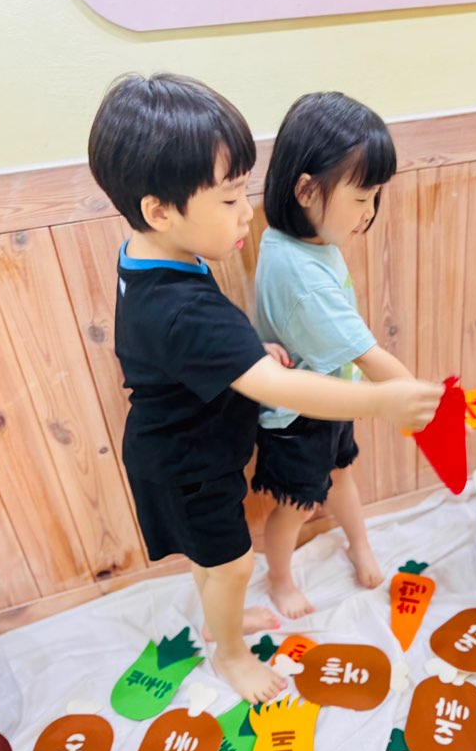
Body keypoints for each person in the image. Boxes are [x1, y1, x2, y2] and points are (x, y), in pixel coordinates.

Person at [88, 74, 442, 703]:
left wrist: (248, 355)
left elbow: (199, 353)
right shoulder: (184, 309)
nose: (247, 213)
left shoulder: (148, 254)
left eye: (243, 193)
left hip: (180, 449)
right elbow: (279, 385)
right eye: (229, 200)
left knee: (214, 562)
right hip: (189, 466)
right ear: (160, 210)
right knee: (231, 564)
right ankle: (229, 653)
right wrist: (381, 400)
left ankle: (219, 617)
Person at [252, 91, 426, 619]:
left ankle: (359, 544)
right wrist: (424, 405)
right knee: (295, 507)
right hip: (298, 417)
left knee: (342, 475)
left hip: (334, 397)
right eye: (361, 198)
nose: (368, 214)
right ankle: (279, 579)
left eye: (375, 198)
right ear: (306, 189)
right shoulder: (300, 275)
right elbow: (371, 358)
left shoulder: (304, 242)